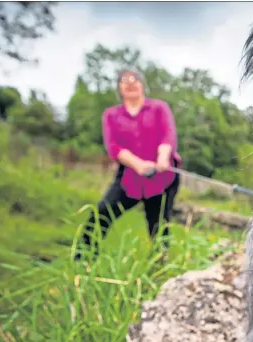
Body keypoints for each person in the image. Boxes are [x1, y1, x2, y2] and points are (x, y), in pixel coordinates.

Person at [75, 67, 182, 261]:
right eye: (125, 80)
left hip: (162, 179)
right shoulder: (111, 115)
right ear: (119, 87)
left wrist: (163, 157)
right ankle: (83, 259)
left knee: (158, 225)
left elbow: (168, 134)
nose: (131, 82)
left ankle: (160, 265)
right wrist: (138, 164)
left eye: (135, 79)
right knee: (102, 213)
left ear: (142, 85)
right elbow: (113, 146)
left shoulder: (159, 107)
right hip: (129, 178)